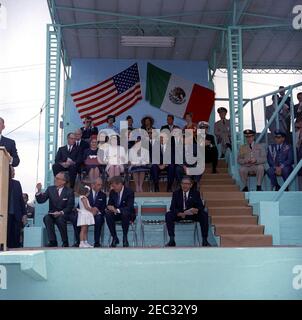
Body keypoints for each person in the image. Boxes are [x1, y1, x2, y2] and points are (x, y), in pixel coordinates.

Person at [165, 176, 210, 247]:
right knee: (168, 215)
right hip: (180, 214)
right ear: (181, 184)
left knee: (204, 214)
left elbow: (200, 206)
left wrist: (196, 209)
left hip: (192, 214)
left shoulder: (196, 193)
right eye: (183, 183)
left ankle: (205, 240)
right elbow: (172, 207)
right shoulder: (176, 193)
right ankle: (172, 240)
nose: (184, 185)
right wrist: (179, 213)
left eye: (187, 184)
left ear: (191, 185)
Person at [35, 172, 75, 247]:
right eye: (55, 177)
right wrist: (39, 191)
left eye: (57, 178)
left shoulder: (69, 191)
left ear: (64, 181)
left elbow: (70, 206)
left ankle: (65, 242)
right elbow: (41, 200)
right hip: (52, 214)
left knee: (60, 219)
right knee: (47, 218)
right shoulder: (50, 189)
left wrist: (60, 212)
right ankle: (53, 241)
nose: (55, 180)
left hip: (64, 214)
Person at [105, 176, 135, 247]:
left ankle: (125, 237)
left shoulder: (129, 192)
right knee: (108, 214)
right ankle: (114, 237)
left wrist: (117, 210)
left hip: (128, 214)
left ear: (120, 184)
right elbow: (109, 204)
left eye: (114, 186)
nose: (113, 188)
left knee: (125, 213)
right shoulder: (112, 192)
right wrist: (109, 207)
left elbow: (129, 207)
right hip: (116, 214)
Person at [7, 167, 27, 248]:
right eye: (12, 171)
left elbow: (21, 200)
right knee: (7, 236)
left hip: (17, 214)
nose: (14, 173)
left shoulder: (17, 183)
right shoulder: (2, 182)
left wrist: (24, 214)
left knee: (16, 236)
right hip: (5, 215)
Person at [87, 178, 107, 247]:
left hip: (97, 215)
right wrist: (91, 210)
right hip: (86, 214)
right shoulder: (86, 193)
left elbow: (104, 208)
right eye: (98, 185)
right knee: (77, 218)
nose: (100, 186)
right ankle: (80, 241)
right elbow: (79, 207)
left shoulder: (103, 195)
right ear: (93, 185)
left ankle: (97, 242)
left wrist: (97, 210)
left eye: (101, 185)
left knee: (99, 219)